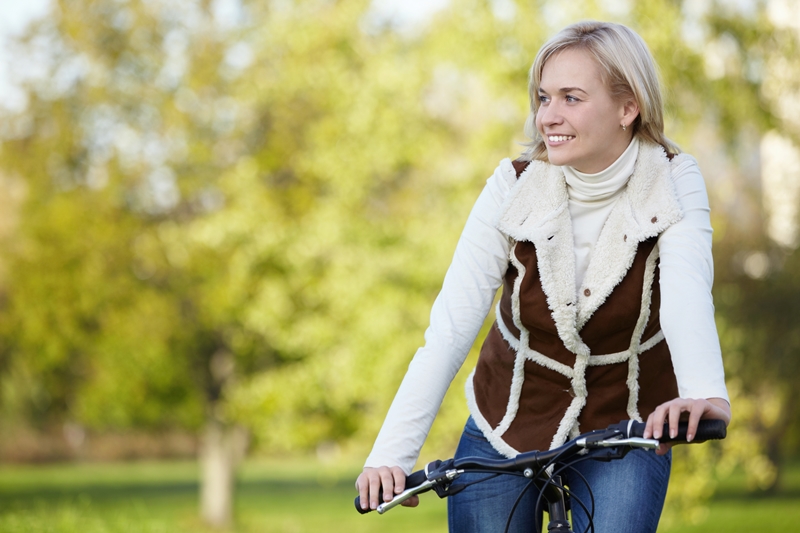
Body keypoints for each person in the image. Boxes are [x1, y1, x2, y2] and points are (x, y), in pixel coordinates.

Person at [356, 20, 731, 533]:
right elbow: (450, 325)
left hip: (623, 425)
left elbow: (687, 293)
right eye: (543, 97)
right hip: (507, 420)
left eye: (571, 98)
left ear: (629, 107)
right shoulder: (512, 185)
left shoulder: (672, 179)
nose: (548, 116)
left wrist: (707, 394)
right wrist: (391, 456)